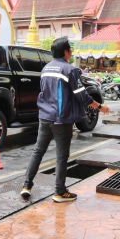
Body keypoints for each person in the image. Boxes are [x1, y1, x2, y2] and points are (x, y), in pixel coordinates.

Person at [20, 37, 110, 202]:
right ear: (66, 52)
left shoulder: (46, 68)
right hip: (61, 119)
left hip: (44, 116)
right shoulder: (70, 70)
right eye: (70, 50)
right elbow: (82, 96)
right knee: (61, 156)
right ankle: (60, 192)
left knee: (38, 152)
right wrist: (100, 106)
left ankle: (26, 185)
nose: (71, 53)